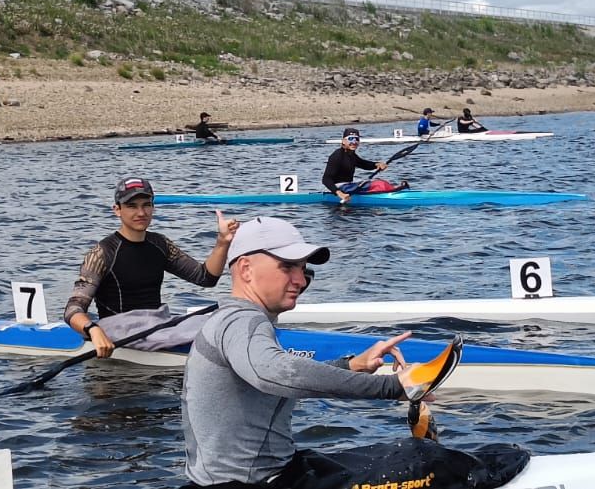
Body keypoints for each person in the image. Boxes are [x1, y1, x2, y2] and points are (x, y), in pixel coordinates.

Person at [181, 216, 529, 489]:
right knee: (429, 465)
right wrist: (394, 387)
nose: (300, 280)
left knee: (405, 454)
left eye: (303, 269)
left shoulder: (236, 322)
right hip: (256, 483)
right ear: (245, 269)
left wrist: (352, 365)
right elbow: (274, 372)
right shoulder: (241, 321)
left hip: (272, 473)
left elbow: (267, 380)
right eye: (287, 267)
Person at [63, 177, 239, 357]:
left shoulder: (160, 244)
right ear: (117, 210)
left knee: (225, 321)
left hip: (157, 324)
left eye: (146, 205)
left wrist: (222, 243)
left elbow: (205, 278)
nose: (141, 212)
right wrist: (93, 330)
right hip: (119, 329)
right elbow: (73, 309)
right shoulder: (102, 253)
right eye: (132, 206)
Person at [322, 128, 407, 203]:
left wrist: (377, 164)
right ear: (344, 141)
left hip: (348, 186)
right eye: (351, 139)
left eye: (356, 139)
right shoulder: (337, 156)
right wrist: (339, 194)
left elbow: (363, 164)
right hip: (340, 188)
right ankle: (395, 192)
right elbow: (326, 179)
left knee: (380, 182)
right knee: (379, 184)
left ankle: (392, 190)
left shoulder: (351, 155)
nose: (354, 142)